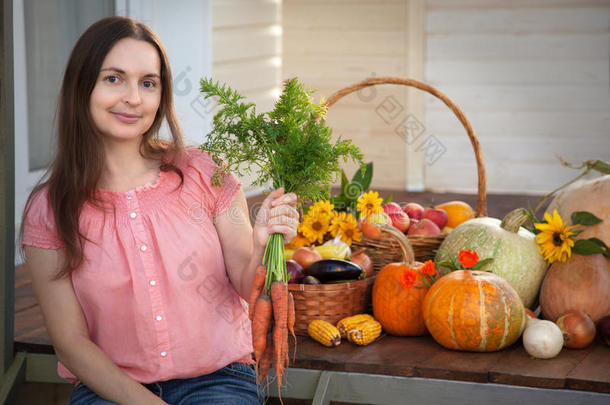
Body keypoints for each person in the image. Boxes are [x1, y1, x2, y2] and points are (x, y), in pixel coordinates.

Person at [19, 16, 298, 405]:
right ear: (81, 86)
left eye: (148, 83)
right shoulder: (48, 210)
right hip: (111, 390)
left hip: (218, 381)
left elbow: (244, 284)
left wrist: (261, 242)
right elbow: (70, 343)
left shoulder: (205, 173)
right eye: (113, 79)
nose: (134, 97)